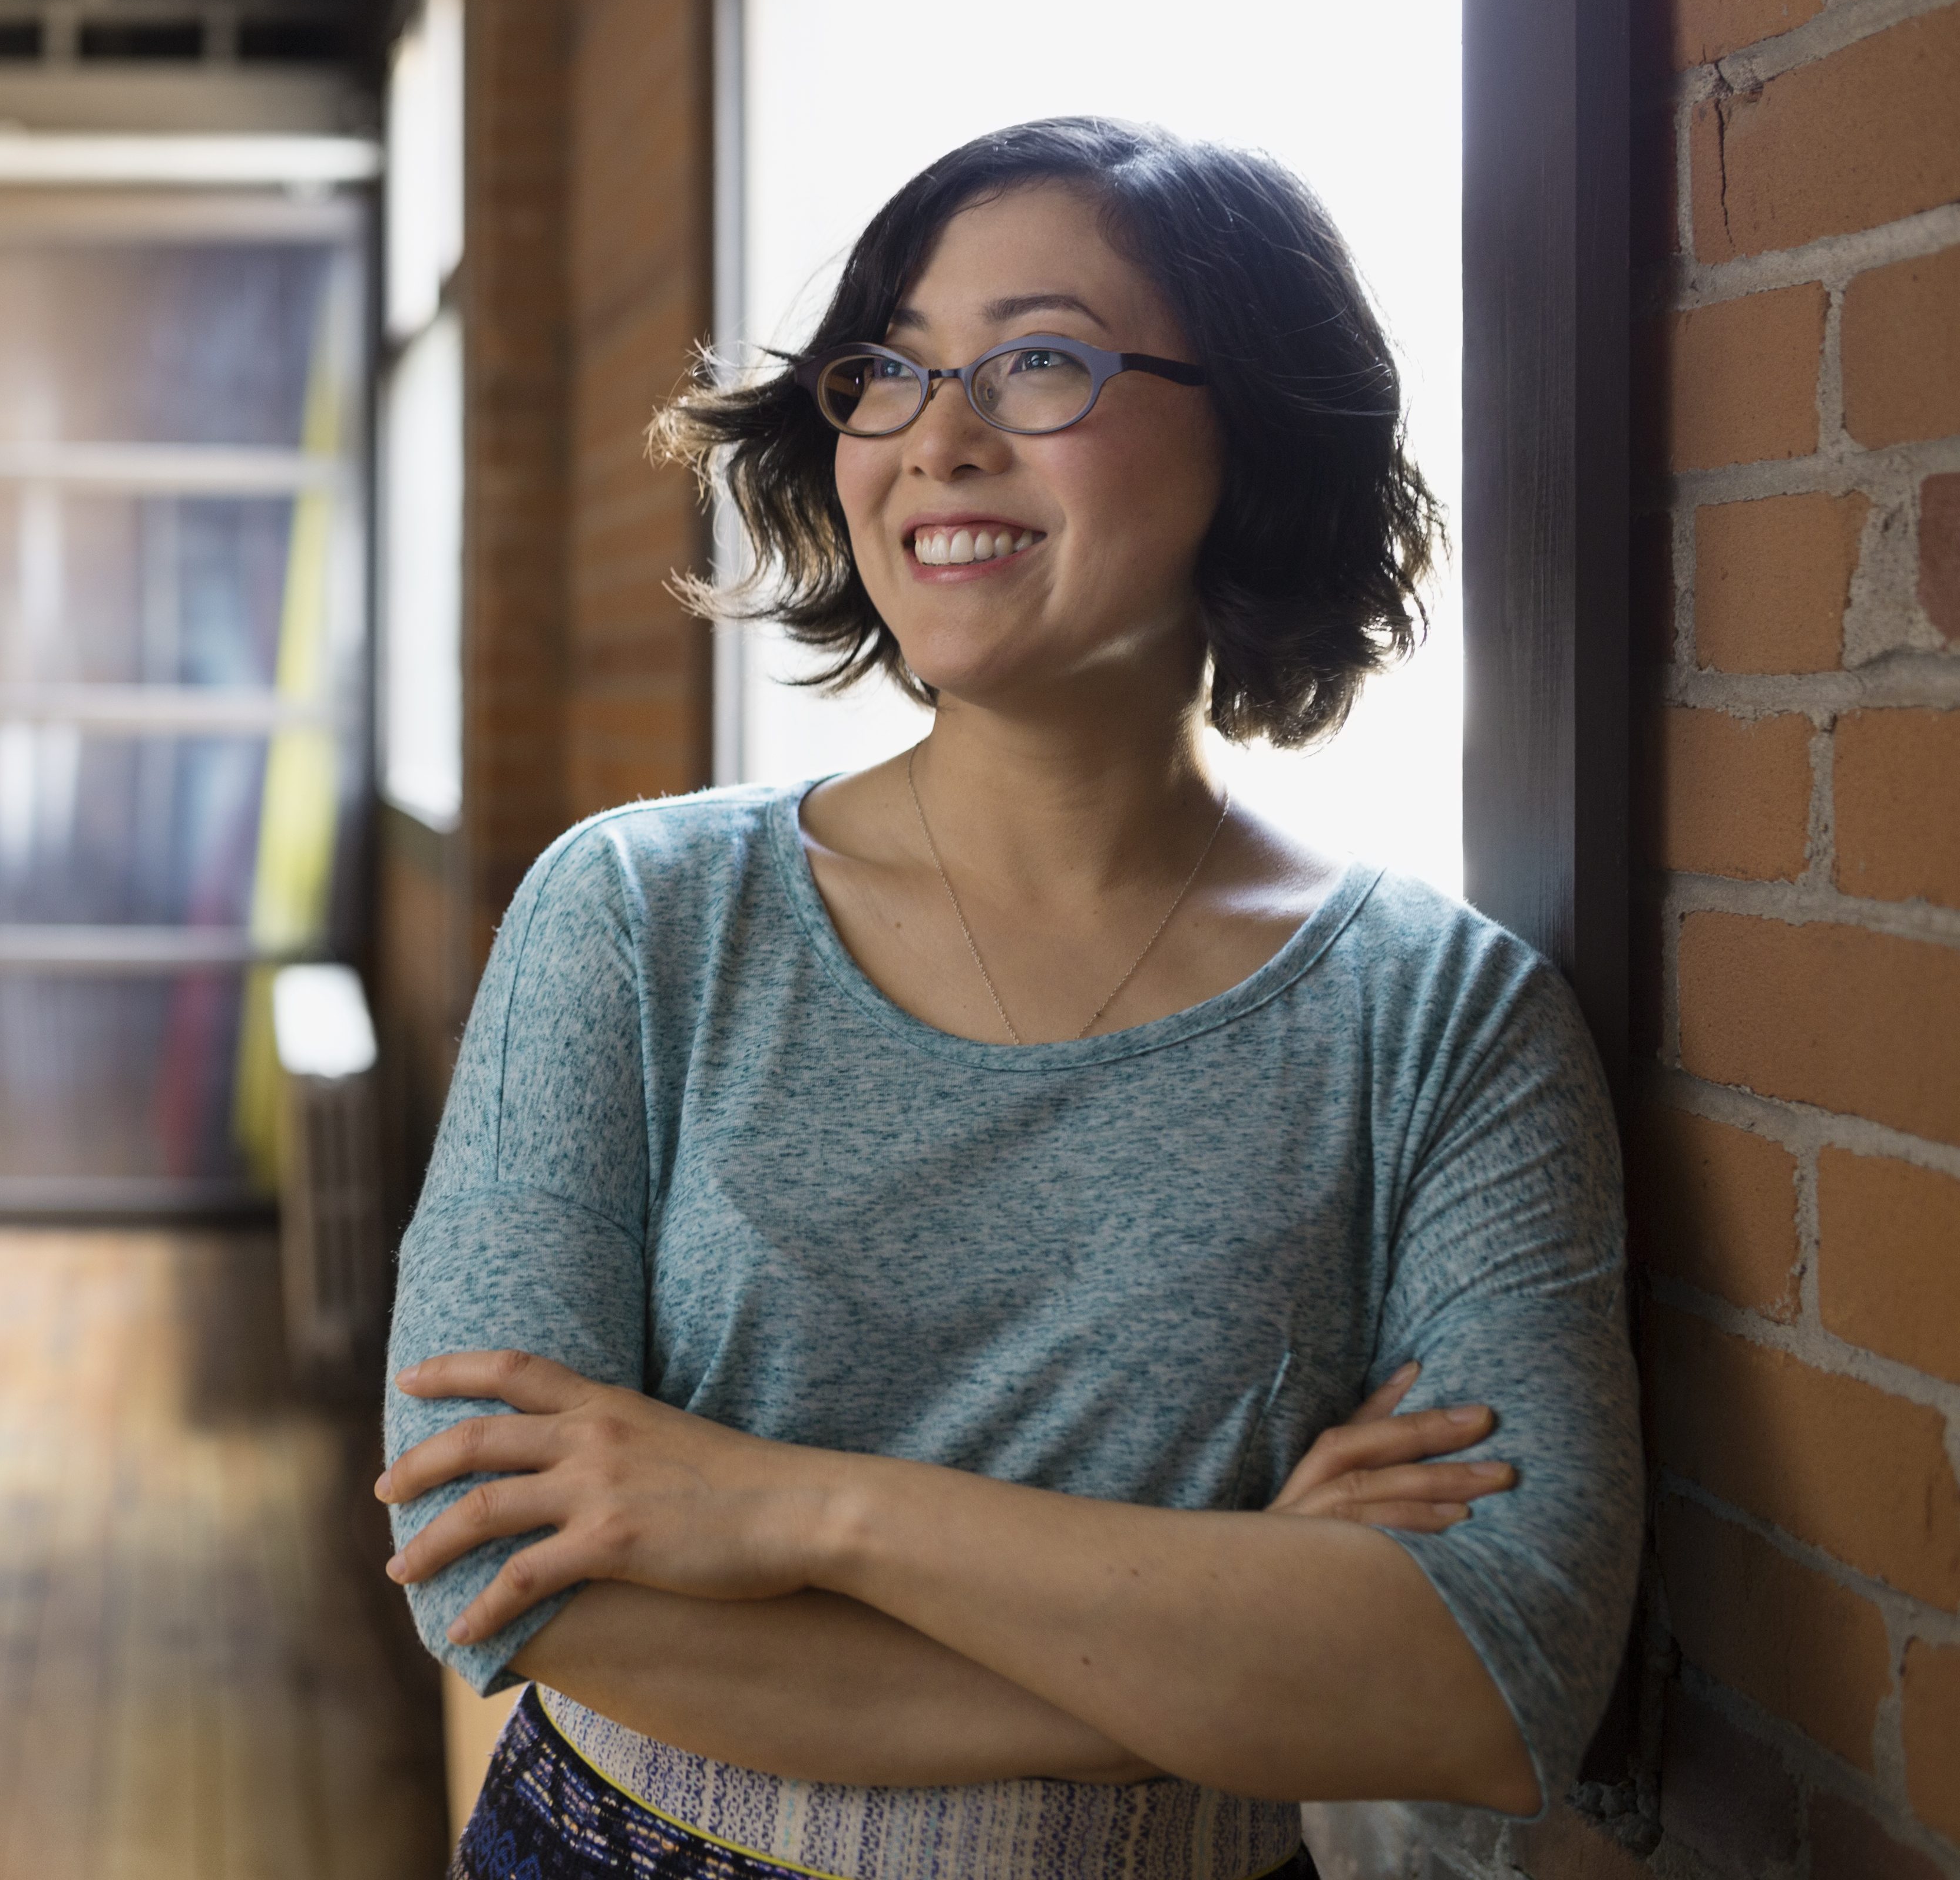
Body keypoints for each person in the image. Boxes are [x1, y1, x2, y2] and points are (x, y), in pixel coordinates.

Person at [377, 117, 1640, 1880]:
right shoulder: (638, 916)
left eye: (1038, 362)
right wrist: (1225, 1636)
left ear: (1257, 429)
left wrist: (787, 1510)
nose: (938, 441)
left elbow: (1499, 1680)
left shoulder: (1440, 1018)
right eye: (886, 373)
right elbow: (479, 1556)